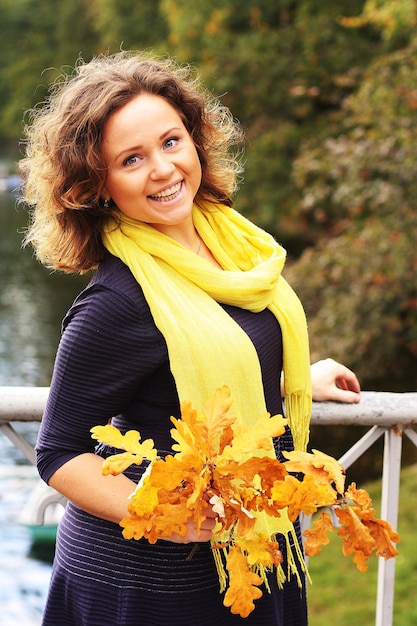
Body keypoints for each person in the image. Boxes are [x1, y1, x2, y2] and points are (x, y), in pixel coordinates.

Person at [20, 51, 360, 626]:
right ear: (98, 185)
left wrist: (290, 382)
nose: (163, 169)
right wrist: (167, 520)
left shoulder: (229, 246)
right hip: (150, 581)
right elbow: (57, 452)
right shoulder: (118, 301)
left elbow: (194, 374)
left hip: (253, 548)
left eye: (171, 142)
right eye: (132, 159)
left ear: (196, 141)